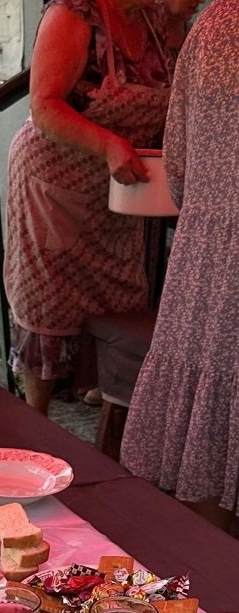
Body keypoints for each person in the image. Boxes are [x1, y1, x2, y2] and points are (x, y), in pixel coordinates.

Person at [4, 0, 172, 414]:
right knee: (48, 308)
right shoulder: (73, 13)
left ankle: (110, 420)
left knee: (122, 301)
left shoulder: (156, 18)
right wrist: (109, 144)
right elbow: (44, 106)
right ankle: (34, 426)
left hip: (122, 194)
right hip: (55, 183)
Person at [120, 0, 239, 529]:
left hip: (207, 255)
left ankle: (209, 583)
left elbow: (180, 164)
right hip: (213, 250)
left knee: (206, 443)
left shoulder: (214, 24)